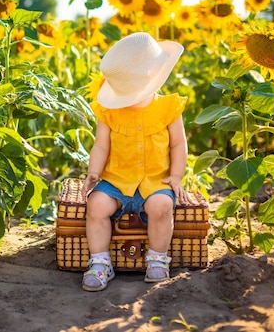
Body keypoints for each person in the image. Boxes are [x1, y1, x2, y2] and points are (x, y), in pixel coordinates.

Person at [81, 31, 191, 292]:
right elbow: (100, 144)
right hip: (116, 180)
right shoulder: (109, 111)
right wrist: (94, 172)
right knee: (95, 206)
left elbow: (178, 144)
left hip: (156, 180)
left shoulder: (168, 108)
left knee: (163, 206)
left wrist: (176, 176)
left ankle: (157, 258)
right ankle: (99, 263)